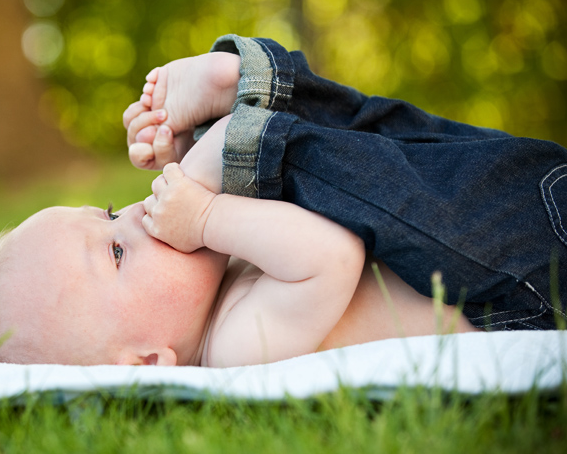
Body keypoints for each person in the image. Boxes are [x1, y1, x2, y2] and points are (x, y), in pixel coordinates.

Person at [125, 34, 567, 333]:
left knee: (400, 153)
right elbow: (331, 254)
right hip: (533, 282)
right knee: (389, 164)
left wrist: (189, 165)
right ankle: (253, 105)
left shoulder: (219, 279)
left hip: (517, 229)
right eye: (116, 251)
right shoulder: (231, 342)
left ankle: (250, 108)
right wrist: (203, 213)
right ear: (147, 360)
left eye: (108, 213)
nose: (131, 216)